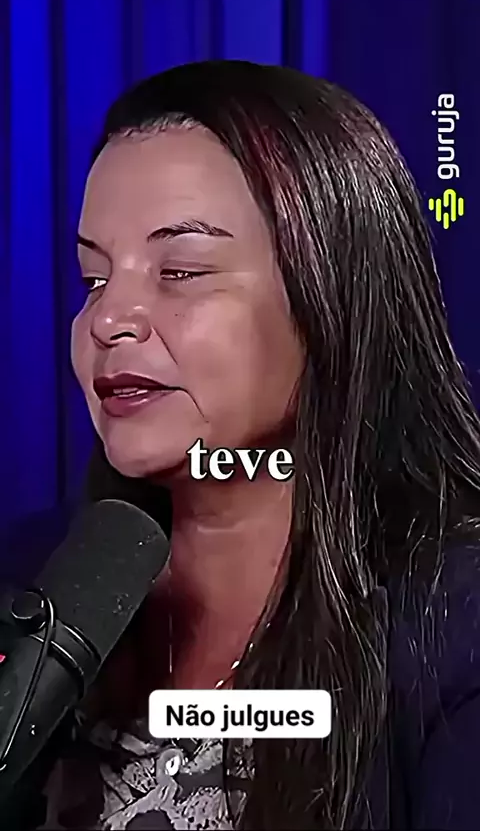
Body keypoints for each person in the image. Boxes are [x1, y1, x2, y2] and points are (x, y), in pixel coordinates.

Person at [34, 60, 480, 830]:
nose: (108, 320)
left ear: (333, 298)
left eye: (180, 270)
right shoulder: (31, 581)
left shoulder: (453, 626)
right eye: (94, 279)